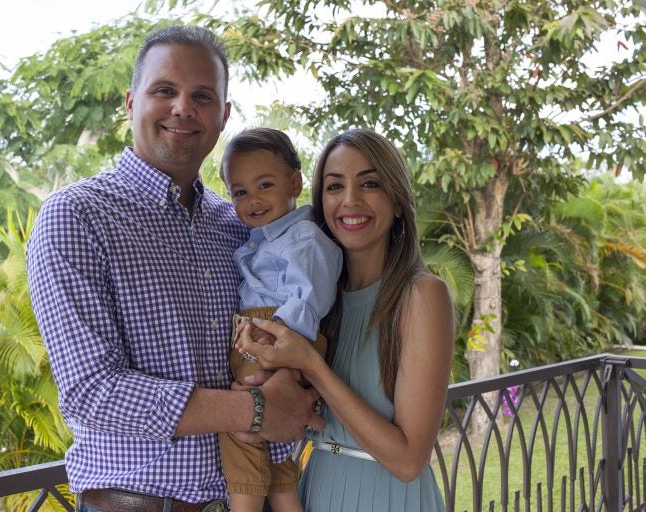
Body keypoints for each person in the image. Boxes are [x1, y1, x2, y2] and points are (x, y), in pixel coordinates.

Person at [26, 25, 324, 512]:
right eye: (164, 90)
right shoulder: (78, 216)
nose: (183, 108)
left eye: (202, 95)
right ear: (130, 101)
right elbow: (91, 392)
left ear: (223, 116)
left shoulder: (239, 225)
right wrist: (255, 410)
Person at [235, 128, 454, 511]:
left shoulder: (422, 295)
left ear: (398, 201)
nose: (350, 201)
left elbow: (407, 461)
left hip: (387, 497)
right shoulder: (319, 300)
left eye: (369, 183)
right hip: (315, 489)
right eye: (335, 187)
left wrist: (311, 364)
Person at [218, 128, 342, 512]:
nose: (252, 200)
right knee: (273, 444)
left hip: (276, 336)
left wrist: (279, 359)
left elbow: (308, 299)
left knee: (242, 429)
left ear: (295, 182)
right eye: (239, 192)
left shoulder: (303, 239)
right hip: (265, 335)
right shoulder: (268, 237)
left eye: (265, 185)